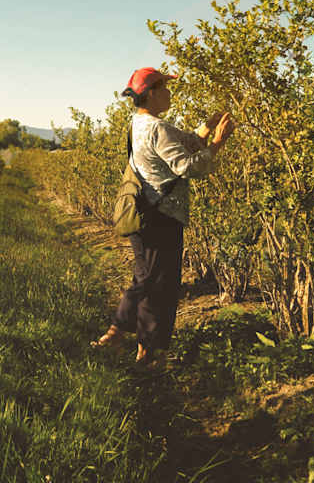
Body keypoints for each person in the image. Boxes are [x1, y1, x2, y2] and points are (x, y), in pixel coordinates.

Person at [94, 67, 236, 366]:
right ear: (153, 93)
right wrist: (218, 144)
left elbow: (183, 142)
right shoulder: (158, 128)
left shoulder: (139, 124)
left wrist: (206, 128)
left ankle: (131, 341)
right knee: (159, 284)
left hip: (144, 212)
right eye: (166, 88)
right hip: (160, 216)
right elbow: (188, 167)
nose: (170, 93)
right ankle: (135, 344)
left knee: (147, 278)